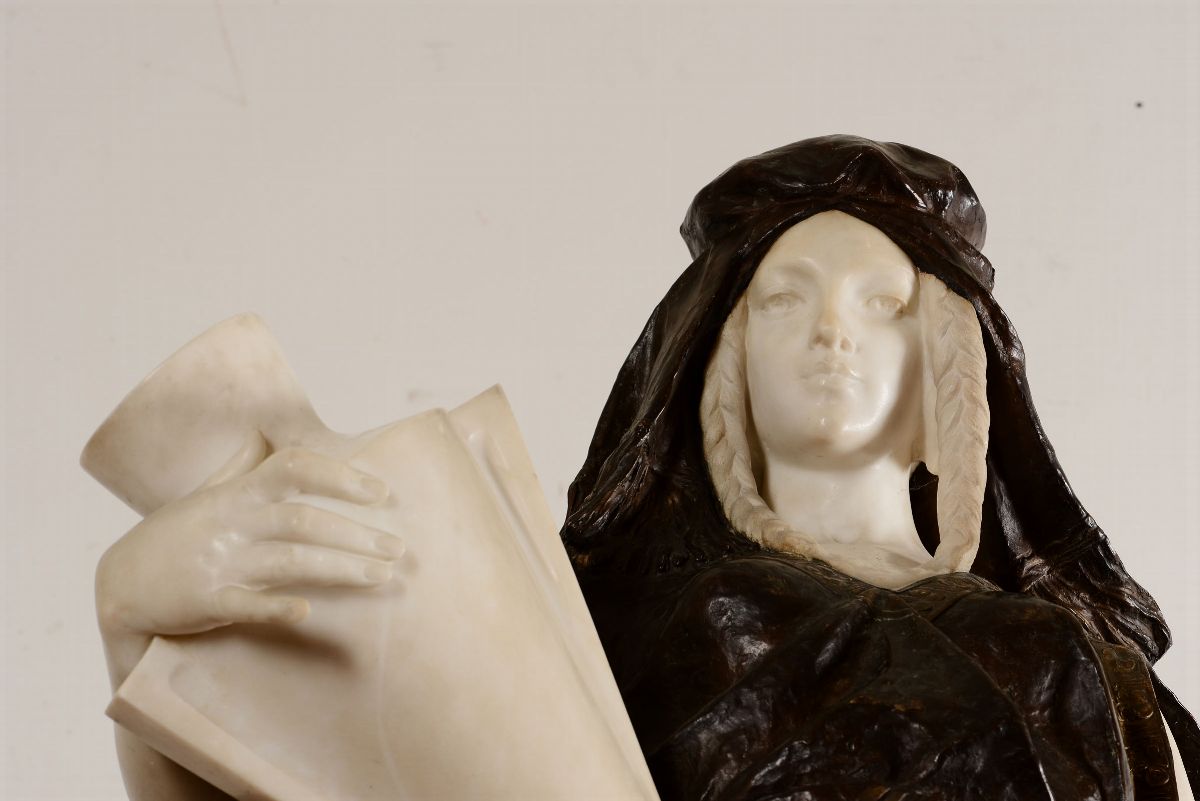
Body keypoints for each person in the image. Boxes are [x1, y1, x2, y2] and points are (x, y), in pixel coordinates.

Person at [560, 135, 1199, 800]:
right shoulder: (634, 638)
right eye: (785, 299)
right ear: (726, 363)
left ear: (946, 370)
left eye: (883, 304)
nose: (831, 331)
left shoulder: (1072, 663)